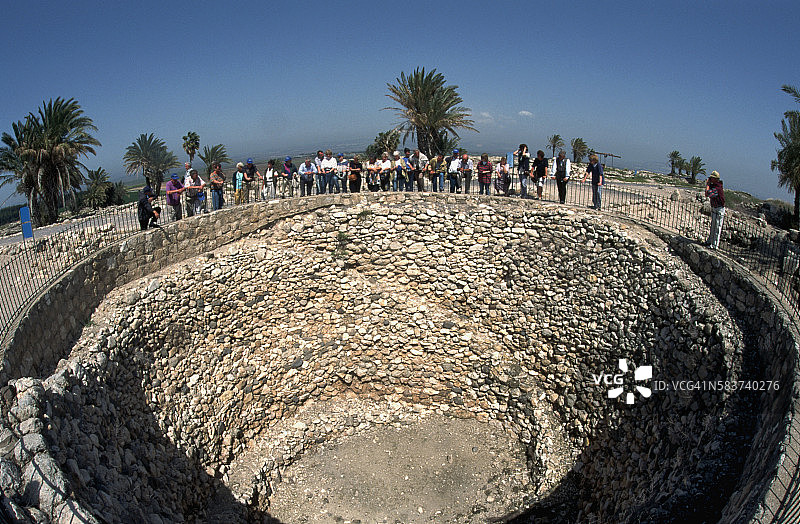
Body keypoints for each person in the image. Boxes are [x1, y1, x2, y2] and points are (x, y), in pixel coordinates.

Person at [704, 171, 726, 249]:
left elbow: (707, 194)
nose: (710, 179)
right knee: (713, 226)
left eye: (712, 178)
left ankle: (715, 245)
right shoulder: (714, 186)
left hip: (719, 209)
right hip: (715, 208)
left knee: (717, 227)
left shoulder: (717, 188)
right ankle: (710, 241)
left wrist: (707, 185)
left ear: (715, 179)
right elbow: (707, 193)